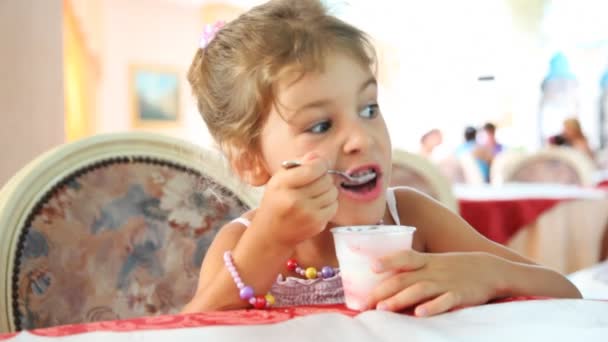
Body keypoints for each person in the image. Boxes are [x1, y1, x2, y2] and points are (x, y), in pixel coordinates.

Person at [182, 0, 580, 316]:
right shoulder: (240, 242)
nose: (360, 138)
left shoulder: (410, 216)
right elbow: (187, 330)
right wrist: (269, 241)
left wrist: (486, 273)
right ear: (250, 159)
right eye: (321, 125)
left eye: (369, 109)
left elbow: (566, 292)